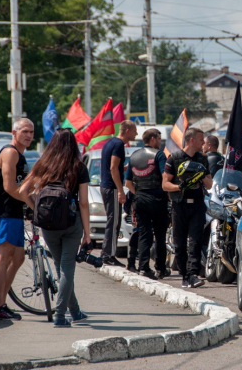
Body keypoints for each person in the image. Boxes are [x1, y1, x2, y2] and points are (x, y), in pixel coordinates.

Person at [19, 129, 91, 327]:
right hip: (71, 224)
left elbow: (23, 191)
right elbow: (84, 203)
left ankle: (75, 312)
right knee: (66, 269)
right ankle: (60, 315)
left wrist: (36, 210)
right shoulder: (78, 167)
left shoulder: (43, 164)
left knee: (61, 268)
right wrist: (87, 233)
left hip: (48, 225)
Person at [0, 118, 34, 320]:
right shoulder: (10, 152)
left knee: (18, 257)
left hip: (15, 212)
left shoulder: (20, 154)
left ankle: (2, 302)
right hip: (5, 211)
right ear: (14, 133)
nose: (29, 135)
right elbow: (9, 187)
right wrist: (31, 204)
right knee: (5, 255)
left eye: (31, 132)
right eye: (25, 131)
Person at [163, 128, 212, 288]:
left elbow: (209, 185)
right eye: (201, 139)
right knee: (179, 244)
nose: (203, 142)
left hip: (197, 205)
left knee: (195, 242)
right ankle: (184, 275)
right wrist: (179, 187)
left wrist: (202, 174)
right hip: (179, 205)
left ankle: (193, 275)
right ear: (192, 140)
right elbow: (165, 184)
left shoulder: (202, 159)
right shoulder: (174, 158)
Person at [125, 128, 169, 280]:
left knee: (144, 234)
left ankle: (143, 268)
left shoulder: (134, 156)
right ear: (152, 139)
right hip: (157, 199)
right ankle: (160, 268)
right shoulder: (159, 155)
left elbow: (128, 182)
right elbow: (165, 177)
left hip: (140, 199)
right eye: (159, 139)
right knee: (160, 235)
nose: (160, 142)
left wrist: (138, 194)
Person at [100, 120, 137, 266]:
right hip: (112, 188)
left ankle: (107, 253)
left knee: (113, 221)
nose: (136, 134)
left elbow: (114, 166)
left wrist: (126, 168)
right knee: (114, 222)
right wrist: (121, 191)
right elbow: (113, 168)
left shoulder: (110, 142)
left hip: (107, 186)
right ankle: (108, 255)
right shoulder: (118, 145)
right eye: (134, 131)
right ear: (127, 131)